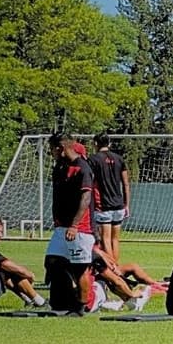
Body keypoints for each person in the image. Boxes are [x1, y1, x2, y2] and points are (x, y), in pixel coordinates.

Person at [45, 133, 96, 313]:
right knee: (52, 261)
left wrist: (74, 225)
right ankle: (61, 300)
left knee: (80, 268)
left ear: (60, 148)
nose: (51, 153)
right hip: (61, 228)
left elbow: (86, 197)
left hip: (80, 229)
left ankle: (81, 306)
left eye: (52, 149)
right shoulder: (59, 167)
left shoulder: (83, 168)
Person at [86, 133, 130, 263]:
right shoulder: (119, 159)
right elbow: (126, 183)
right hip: (119, 205)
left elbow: (89, 180)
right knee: (115, 239)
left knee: (105, 239)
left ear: (95, 144)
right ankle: (116, 268)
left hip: (103, 205)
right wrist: (127, 204)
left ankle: (112, 271)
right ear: (109, 143)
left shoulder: (93, 160)